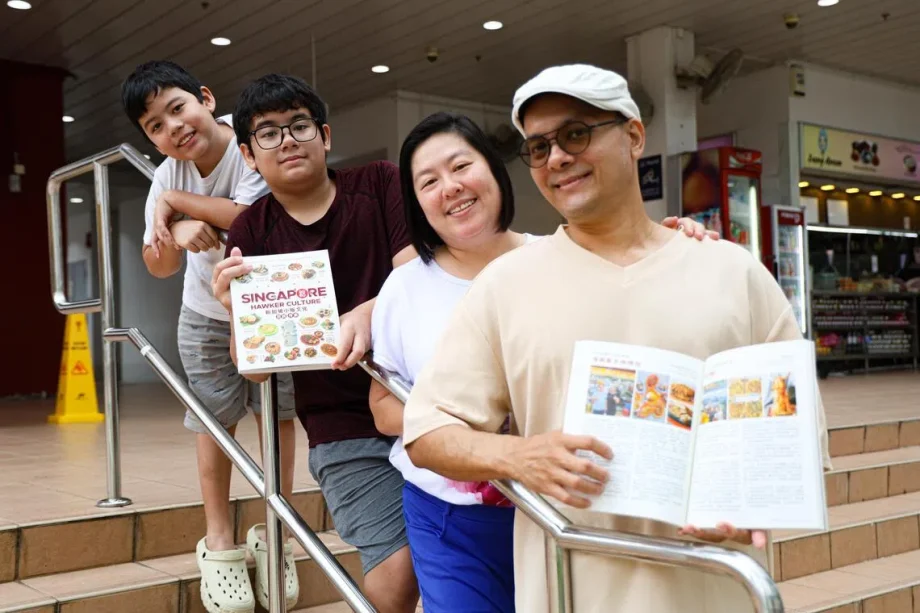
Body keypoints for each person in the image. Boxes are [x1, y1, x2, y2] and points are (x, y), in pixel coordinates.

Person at [401, 64, 832, 613]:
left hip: (712, 587)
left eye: (576, 134)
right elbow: (427, 429)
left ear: (633, 136)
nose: (556, 158)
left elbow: (792, 432)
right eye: (538, 147)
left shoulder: (730, 272)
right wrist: (518, 456)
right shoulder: (506, 285)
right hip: (572, 588)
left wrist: (758, 500)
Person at [369, 112, 715, 612]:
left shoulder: (563, 258)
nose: (451, 188)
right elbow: (383, 407)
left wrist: (669, 246)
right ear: (417, 203)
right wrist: (479, 428)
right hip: (451, 515)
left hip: (566, 504)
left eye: (461, 166)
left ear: (494, 170)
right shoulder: (403, 289)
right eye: (428, 182)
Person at [210, 74, 420, 613]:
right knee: (396, 568)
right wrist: (240, 315)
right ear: (248, 156)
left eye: (299, 125)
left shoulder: (379, 184)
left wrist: (365, 314)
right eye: (268, 133)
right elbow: (254, 372)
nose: (287, 140)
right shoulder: (252, 229)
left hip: (423, 403)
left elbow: (414, 280)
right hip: (341, 428)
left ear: (324, 135)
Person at [121, 60, 299, 613]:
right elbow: (158, 266)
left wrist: (178, 207)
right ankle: (219, 539)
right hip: (203, 313)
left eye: (177, 108)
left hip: (273, 302)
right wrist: (172, 227)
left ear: (204, 97)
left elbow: (246, 215)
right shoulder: (165, 176)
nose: (172, 127)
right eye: (154, 126)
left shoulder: (246, 144)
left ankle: (278, 533)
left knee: (279, 417)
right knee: (213, 422)